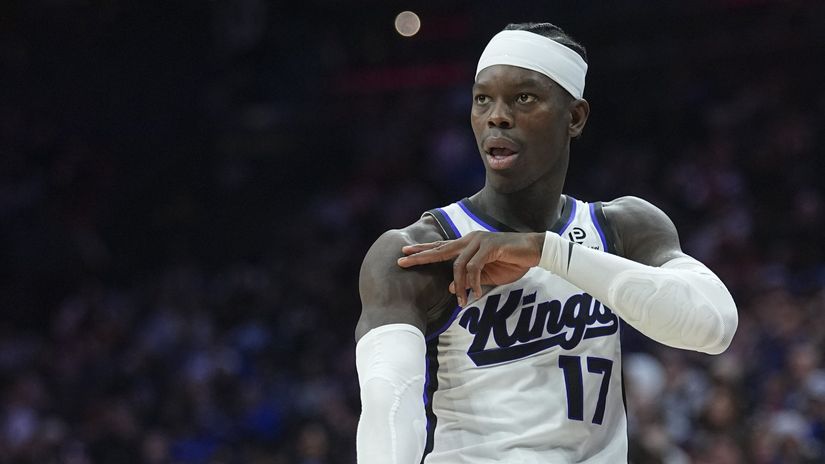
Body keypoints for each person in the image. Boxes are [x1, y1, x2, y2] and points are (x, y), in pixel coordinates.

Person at [355, 22, 738, 464]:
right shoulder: (422, 249)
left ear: (574, 117)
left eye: (524, 98)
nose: (497, 115)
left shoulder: (622, 226)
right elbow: (390, 408)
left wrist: (546, 251)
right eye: (483, 99)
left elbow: (715, 326)